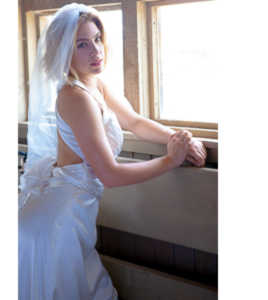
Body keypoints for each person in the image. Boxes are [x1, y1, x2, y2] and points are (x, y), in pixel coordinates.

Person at [19, 3, 207, 300]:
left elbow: (133, 121)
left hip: (73, 214)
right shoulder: (74, 97)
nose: (96, 51)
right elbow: (109, 174)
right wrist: (171, 159)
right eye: (82, 44)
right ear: (64, 51)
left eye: (96, 39)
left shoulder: (94, 85)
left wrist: (179, 137)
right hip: (58, 223)